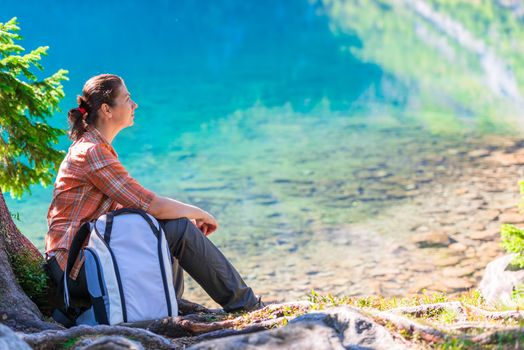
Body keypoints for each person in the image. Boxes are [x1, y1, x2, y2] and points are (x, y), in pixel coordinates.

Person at [45, 73, 263, 314]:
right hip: (75, 270)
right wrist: (200, 213)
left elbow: (136, 210)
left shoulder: (95, 148)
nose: (134, 104)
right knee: (177, 228)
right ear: (107, 109)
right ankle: (247, 305)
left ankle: (170, 306)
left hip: (85, 261)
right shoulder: (92, 152)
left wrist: (174, 217)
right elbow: (150, 204)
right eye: (127, 99)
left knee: (169, 225)